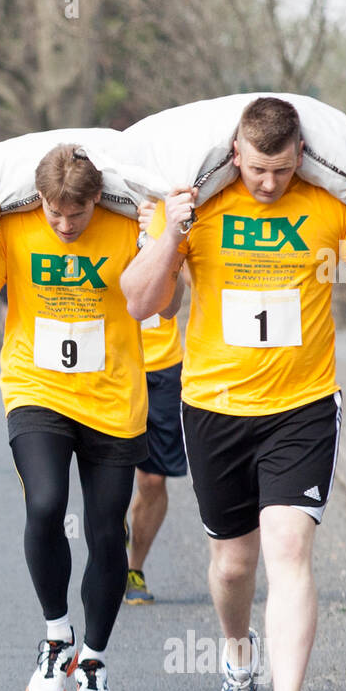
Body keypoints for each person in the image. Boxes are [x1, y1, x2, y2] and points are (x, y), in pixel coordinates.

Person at [121, 96, 346, 691]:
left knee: (289, 549)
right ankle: (237, 658)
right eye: (256, 170)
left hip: (303, 404)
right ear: (235, 153)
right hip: (215, 405)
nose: (268, 184)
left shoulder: (327, 204)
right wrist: (169, 236)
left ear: (300, 156)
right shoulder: (197, 203)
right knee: (233, 564)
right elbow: (140, 302)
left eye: (280, 170)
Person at [0, 144, 170, 691]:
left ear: (97, 198)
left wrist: (159, 243)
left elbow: (165, 309)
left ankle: (93, 660)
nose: (65, 225)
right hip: (37, 389)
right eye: (55, 213)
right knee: (45, 504)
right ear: (40, 200)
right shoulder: (17, 225)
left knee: (104, 532)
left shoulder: (127, 226)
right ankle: (56, 636)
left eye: (77, 214)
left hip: (114, 398)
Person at [123, 201, 190, 605]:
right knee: (110, 479)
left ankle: (135, 568)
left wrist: (160, 240)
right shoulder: (93, 215)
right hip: (109, 364)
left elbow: (171, 303)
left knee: (151, 479)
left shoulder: (166, 210)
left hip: (161, 365)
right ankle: (112, 539)